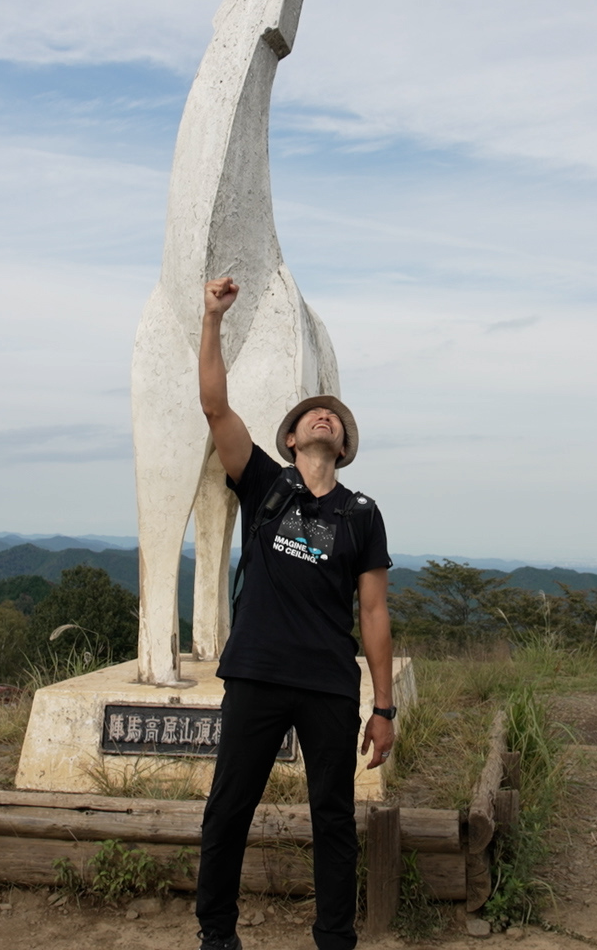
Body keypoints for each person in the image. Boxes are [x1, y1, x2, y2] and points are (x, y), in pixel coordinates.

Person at [194, 275, 395, 950]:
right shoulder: (264, 486)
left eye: (334, 416)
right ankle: (216, 935)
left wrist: (384, 706)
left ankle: (334, 939)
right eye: (312, 412)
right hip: (255, 670)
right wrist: (213, 320)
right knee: (228, 810)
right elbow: (216, 408)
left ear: (344, 444)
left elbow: (373, 612)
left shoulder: (361, 514)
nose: (324, 415)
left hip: (329, 683)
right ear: (288, 437)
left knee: (333, 818)